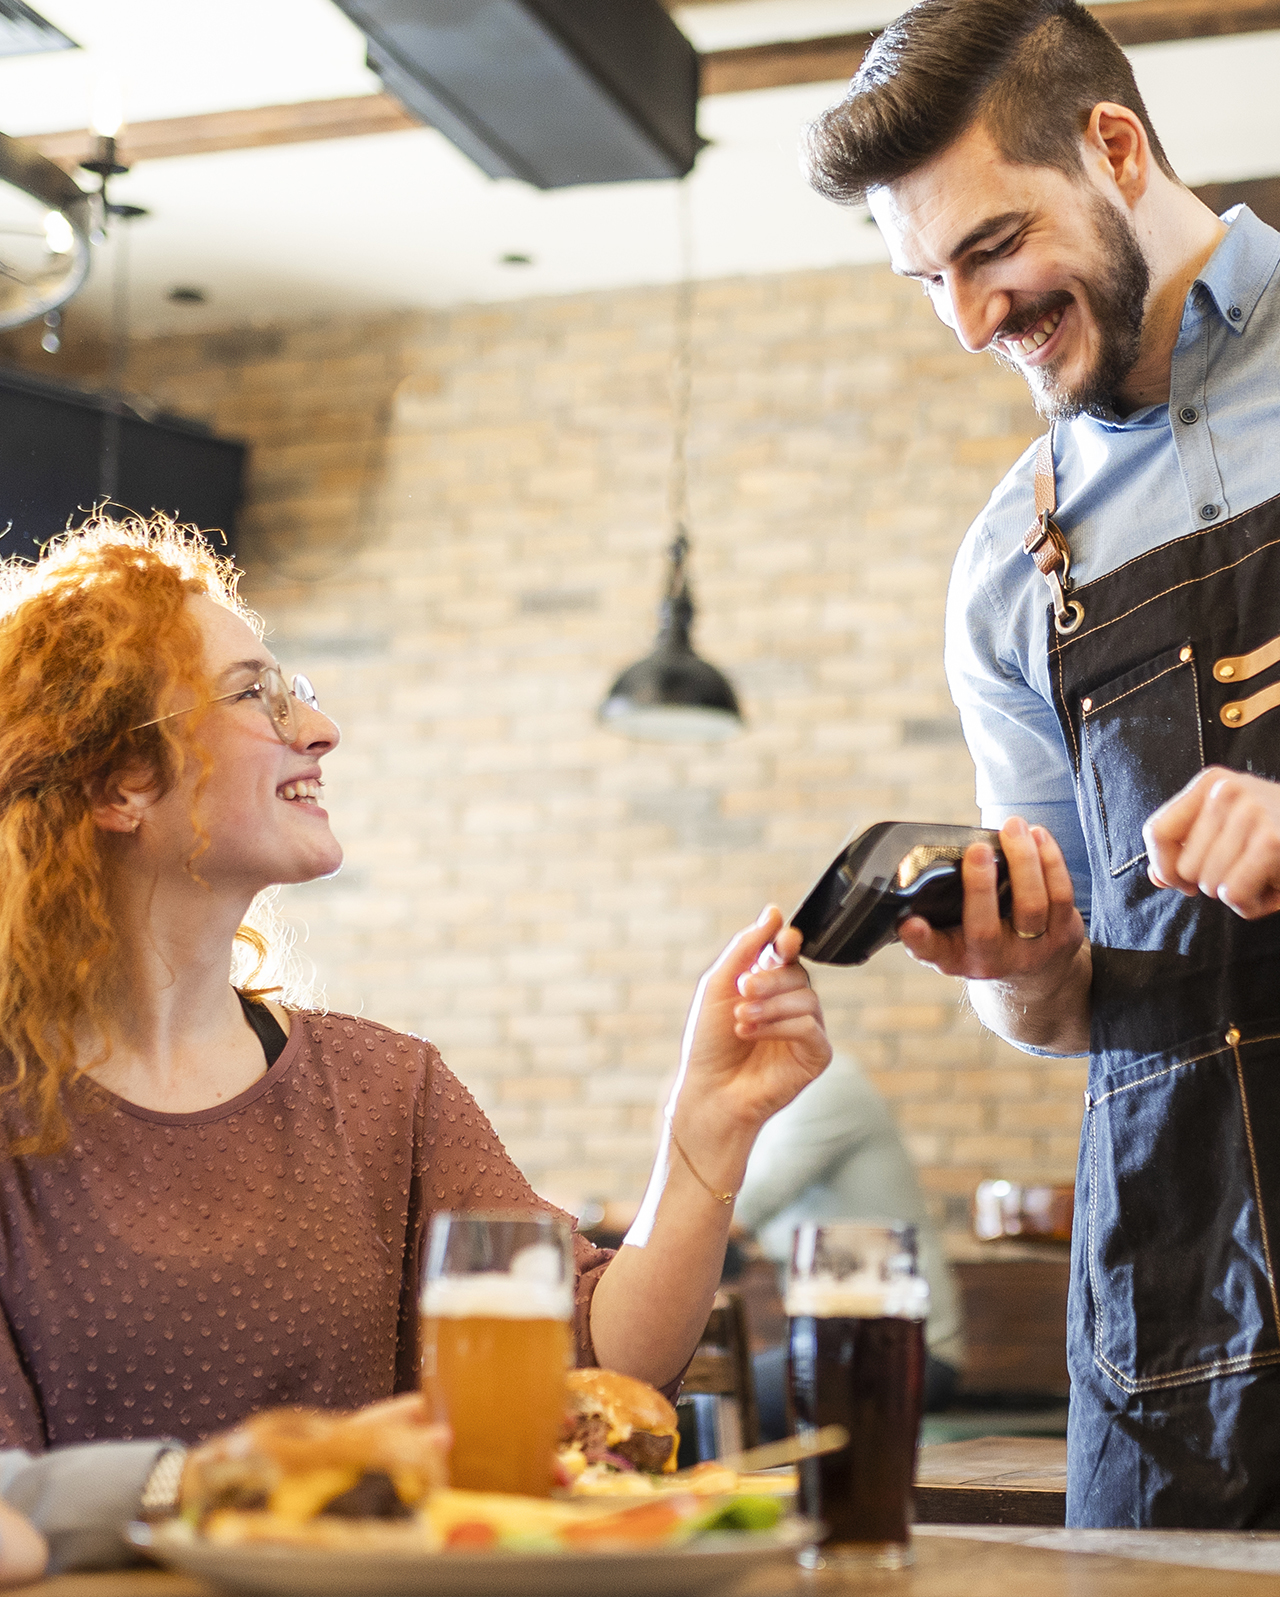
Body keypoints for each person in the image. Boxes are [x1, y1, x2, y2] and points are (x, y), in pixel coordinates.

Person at [0, 517, 831, 1561]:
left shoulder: (385, 1088)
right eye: (255, 691)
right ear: (123, 780)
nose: (318, 727)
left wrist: (704, 1135)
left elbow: (595, 1363)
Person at [804, 0, 1280, 1528]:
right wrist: (1018, 966)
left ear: (1117, 148)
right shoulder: (1009, 571)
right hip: (1183, 1320)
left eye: (991, 248)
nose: (966, 319)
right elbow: (1069, 1008)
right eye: (925, 278)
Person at [733, 1053, 962, 1435]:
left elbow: (737, 1210)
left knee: (717, 1396)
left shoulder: (826, 1084)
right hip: (838, 1345)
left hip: (909, 1351)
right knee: (717, 1394)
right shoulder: (773, 1102)